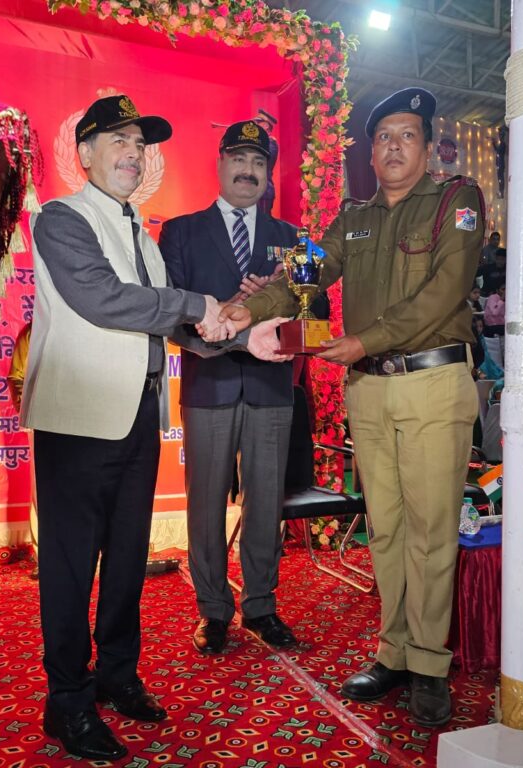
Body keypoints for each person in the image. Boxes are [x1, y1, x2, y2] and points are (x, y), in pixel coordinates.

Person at [217, 87, 482, 728]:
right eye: (383, 136)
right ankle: (394, 653)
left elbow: (445, 291)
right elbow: (305, 269)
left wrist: (365, 339)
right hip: (368, 388)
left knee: (430, 532)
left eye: (407, 135)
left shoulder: (456, 201)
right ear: (369, 151)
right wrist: (247, 308)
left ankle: (429, 664)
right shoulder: (352, 218)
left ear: (428, 145)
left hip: (430, 382)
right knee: (385, 529)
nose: (393, 147)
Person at [21, 94, 241, 761]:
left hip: (139, 413)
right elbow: (103, 298)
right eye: (118, 140)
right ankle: (67, 701)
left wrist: (234, 335)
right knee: (69, 567)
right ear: (84, 152)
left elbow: (167, 322)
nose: (133, 154)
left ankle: (117, 676)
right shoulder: (62, 218)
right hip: (79, 420)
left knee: (126, 560)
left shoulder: (143, 233)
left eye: (140, 144)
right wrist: (200, 303)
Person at [159, 120, 299, 656]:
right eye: (238, 160)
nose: (248, 171)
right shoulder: (181, 232)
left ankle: (261, 606)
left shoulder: (291, 239)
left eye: (259, 163)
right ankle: (213, 610)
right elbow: (171, 313)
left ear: (268, 175)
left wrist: (270, 301)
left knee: (266, 502)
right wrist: (229, 324)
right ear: (219, 165)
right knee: (205, 502)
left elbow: (315, 310)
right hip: (209, 382)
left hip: (271, 386)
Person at [7, 323, 38, 579]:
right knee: (43, 493)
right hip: (42, 422)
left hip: (80, 423)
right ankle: (46, 557)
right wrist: (30, 411)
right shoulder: (33, 331)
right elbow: (16, 377)